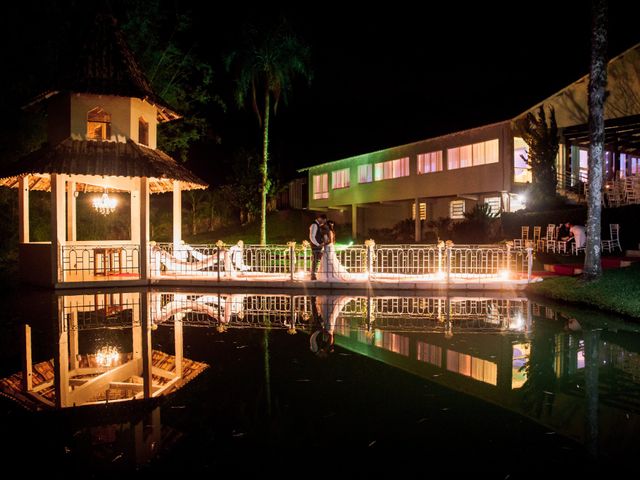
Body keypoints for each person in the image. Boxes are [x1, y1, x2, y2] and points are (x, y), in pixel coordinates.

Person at [309, 214, 327, 280]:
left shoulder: (317, 225)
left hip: (317, 246)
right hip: (315, 246)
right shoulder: (314, 225)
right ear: (320, 218)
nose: (323, 222)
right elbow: (312, 237)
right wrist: (318, 244)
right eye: (323, 221)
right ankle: (313, 275)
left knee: (316, 260)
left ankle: (313, 274)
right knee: (315, 260)